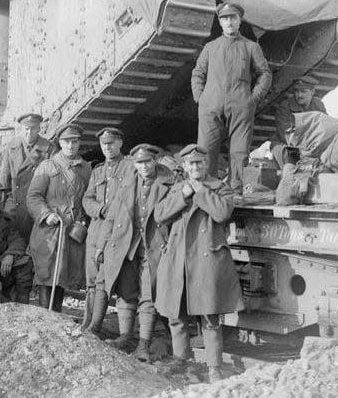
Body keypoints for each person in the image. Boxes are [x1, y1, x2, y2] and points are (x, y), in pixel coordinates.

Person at [154, 144, 242, 382]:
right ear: (184, 166)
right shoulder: (176, 189)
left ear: (206, 165)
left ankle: (214, 366)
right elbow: (159, 215)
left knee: (210, 316)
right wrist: (183, 195)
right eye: (191, 163)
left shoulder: (220, 188)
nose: (195, 167)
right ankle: (181, 360)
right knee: (176, 314)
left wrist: (201, 191)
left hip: (206, 259)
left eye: (199, 163)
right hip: (178, 259)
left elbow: (222, 213)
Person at [88, 144, 175, 363]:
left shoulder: (170, 183)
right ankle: (125, 336)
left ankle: (143, 345)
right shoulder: (127, 183)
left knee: (148, 293)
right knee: (126, 290)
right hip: (125, 244)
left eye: (147, 162)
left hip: (153, 245)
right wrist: (101, 245)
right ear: (133, 163)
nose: (143, 167)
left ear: (155, 161)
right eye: (139, 162)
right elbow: (112, 217)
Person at [191, 2, 272, 192]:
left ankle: (235, 189)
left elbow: (265, 73)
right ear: (220, 22)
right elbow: (198, 73)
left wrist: (252, 99)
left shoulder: (251, 47)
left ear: (239, 20)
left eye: (233, 18)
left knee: (239, 151)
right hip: (210, 105)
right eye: (225, 18)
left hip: (241, 105)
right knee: (206, 150)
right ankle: (207, 190)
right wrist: (200, 99)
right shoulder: (210, 47)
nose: (229, 22)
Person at [26, 123, 91, 312]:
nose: (71, 146)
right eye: (67, 141)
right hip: (50, 230)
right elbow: (33, 196)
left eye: (75, 141)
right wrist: (46, 215)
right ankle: (44, 317)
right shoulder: (47, 166)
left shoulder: (86, 168)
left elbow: (89, 197)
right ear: (60, 143)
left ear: (79, 143)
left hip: (72, 231)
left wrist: (83, 219)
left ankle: (56, 315)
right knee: (47, 273)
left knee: (63, 274)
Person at [80, 127, 134, 331]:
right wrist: (100, 209)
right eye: (104, 144)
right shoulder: (98, 171)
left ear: (120, 143)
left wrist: (113, 212)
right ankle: (89, 323)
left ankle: (104, 327)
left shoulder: (129, 167)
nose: (108, 147)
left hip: (117, 229)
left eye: (111, 143)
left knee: (109, 278)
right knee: (92, 279)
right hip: (96, 228)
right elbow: (87, 199)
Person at [0, 113, 54, 244]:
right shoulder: (12, 146)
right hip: (15, 203)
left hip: (37, 203)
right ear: (21, 129)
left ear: (39, 129)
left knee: (36, 243)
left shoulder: (48, 148)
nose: (29, 133)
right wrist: (1, 204)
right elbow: (4, 177)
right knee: (8, 237)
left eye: (33, 129)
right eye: (26, 129)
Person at [274, 76, 326, 145]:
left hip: (309, 144)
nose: (299, 95)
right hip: (286, 145)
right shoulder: (286, 106)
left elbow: (326, 126)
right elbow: (285, 135)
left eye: (303, 91)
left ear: (312, 92)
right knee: (294, 155)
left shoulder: (318, 104)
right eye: (296, 91)